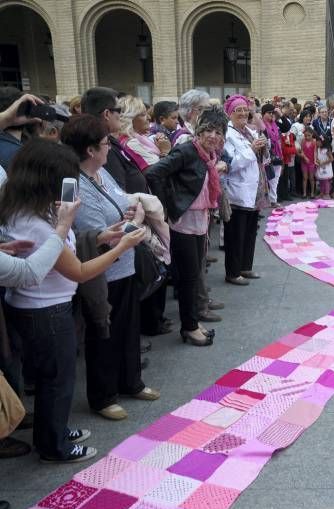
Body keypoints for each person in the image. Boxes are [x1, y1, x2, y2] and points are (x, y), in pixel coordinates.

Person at [1, 139, 147, 462]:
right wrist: (122, 247)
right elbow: (79, 270)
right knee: (58, 381)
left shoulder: (29, 209)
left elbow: (64, 251)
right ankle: (54, 446)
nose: (73, 188)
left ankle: (54, 430)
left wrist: (103, 236)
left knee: (52, 379)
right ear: (45, 179)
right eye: (67, 180)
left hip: (39, 307)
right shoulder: (37, 223)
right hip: (45, 311)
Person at [58, 115, 160, 422]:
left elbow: (121, 202)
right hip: (98, 268)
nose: (109, 148)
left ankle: (131, 381)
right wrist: (121, 226)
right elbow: (71, 229)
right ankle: (102, 396)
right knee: (103, 332)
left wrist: (130, 212)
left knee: (128, 328)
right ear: (90, 150)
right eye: (105, 144)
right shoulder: (69, 182)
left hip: (124, 260)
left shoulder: (102, 173)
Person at [146, 107, 228, 347]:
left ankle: (191, 322)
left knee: (193, 275)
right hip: (183, 223)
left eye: (218, 131)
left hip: (200, 221)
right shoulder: (187, 151)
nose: (213, 135)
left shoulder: (208, 154)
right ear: (199, 132)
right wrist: (168, 206)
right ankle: (189, 327)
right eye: (208, 130)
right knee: (188, 278)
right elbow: (154, 174)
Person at [222, 95, 263, 287]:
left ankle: (246, 266)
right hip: (237, 191)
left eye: (245, 110)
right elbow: (231, 164)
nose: (243, 114)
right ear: (229, 114)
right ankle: (232, 271)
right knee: (236, 235)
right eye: (238, 110)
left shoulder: (248, 131)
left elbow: (258, 157)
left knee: (249, 232)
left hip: (253, 190)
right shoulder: (227, 135)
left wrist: (264, 147)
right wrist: (252, 150)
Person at [81, 87, 148, 194]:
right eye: (118, 110)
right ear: (107, 114)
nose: (121, 115)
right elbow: (118, 193)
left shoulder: (108, 141)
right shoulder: (102, 147)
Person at [118, 95, 170, 171]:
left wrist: (158, 144)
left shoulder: (139, 138)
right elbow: (156, 172)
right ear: (130, 118)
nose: (149, 117)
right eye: (143, 115)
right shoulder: (131, 143)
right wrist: (165, 151)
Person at [299, 128, 317, 198]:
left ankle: (312, 193)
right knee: (304, 178)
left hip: (312, 162)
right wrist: (304, 157)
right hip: (304, 162)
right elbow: (301, 151)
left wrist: (315, 161)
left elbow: (315, 152)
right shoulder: (303, 141)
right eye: (305, 135)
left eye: (309, 135)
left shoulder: (314, 141)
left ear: (312, 134)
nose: (307, 137)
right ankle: (304, 193)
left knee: (311, 178)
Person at [315, 134, 334, 199]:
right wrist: (317, 161)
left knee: (326, 181)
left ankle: (327, 193)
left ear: (322, 142)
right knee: (321, 181)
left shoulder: (327, 150)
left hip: (326, 167)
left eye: (318, 141)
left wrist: (323, 162)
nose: (316, 142)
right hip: (320, 167)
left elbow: (331, 159)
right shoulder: (318, 149)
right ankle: (321, 193)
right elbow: (318, 157)